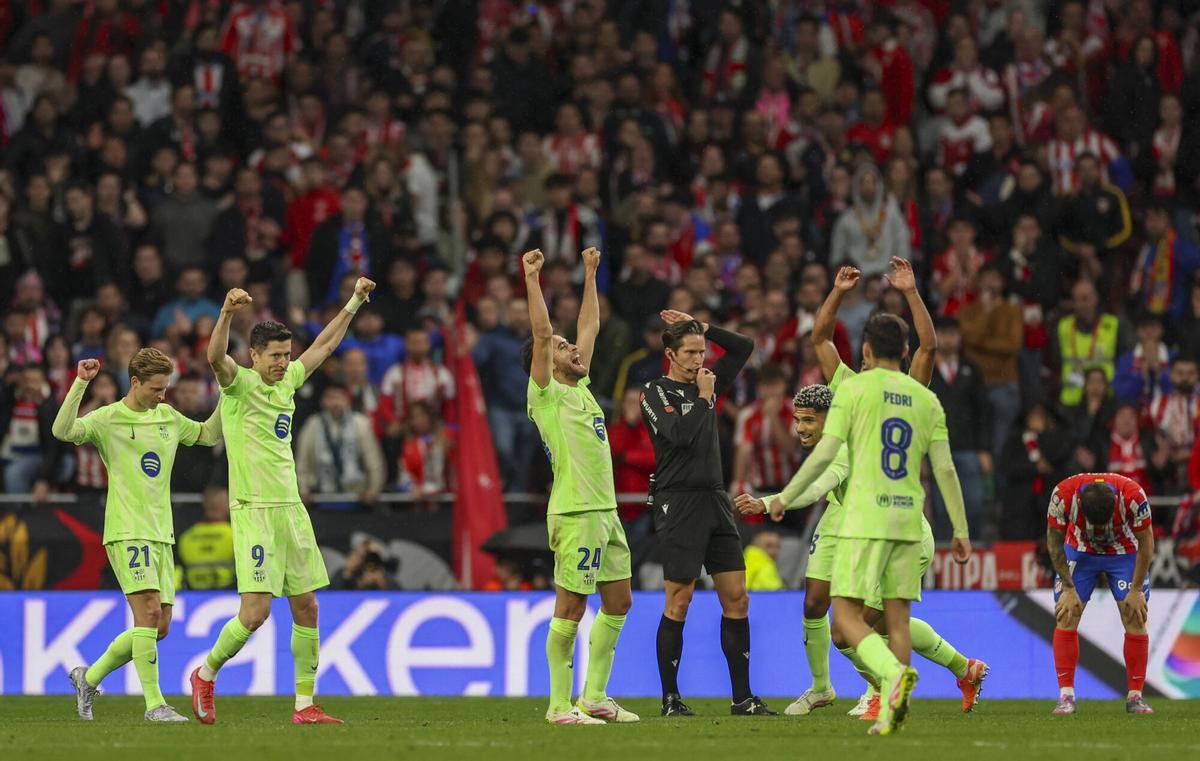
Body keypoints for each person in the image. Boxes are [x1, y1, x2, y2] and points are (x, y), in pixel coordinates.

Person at [737, 260, 985, 720]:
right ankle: (935, 676)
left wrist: (776, 501)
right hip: (876, 517)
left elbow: (821, 342)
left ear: (866, 350)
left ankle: (886, 687)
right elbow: (926, 348)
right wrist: (909, 292)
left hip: (878, 520)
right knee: (868, 619)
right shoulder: (918, 395)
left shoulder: (851, 392)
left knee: (853, 628)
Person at [190, 277, 376, 726]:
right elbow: (215, 357)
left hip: (291, 509)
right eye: (274, 356)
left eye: (286, 355)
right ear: (254, 355)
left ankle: (304, 705)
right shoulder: (239, 386)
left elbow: (326, 345)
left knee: (308, 606)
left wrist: (354, 299)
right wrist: (226, 312)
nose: (282, 363)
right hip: (253, 510)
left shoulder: (290, 380)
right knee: (254, 614)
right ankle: (205, 673)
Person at [54, 350, 222, 722]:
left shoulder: (168, 417)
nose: (162, 395)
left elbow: (209, 435)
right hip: (127, 529)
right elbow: (63, 431)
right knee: (146, 612)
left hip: (162, 532)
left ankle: (88, 677)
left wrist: (229, 390)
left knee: (158, 627)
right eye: (155, 389)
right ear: (134, 382)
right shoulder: (108, 418)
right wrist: (81, 382)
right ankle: (154, 705)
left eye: (166, 388)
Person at [522, 247, 637, 725]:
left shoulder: (582, 388)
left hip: (605, 511)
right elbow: (545, 333)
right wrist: (532, 277)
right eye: (564, 347)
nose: (574, 348)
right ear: (548, 360)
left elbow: (589, 327)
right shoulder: (546, 395)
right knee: (570, 606)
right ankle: (557, 706)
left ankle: (594, 696)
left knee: (620, 599)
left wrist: (591, 274)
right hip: (576, 511)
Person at [638, 306, 770, 717]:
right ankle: (670, 698)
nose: (700, 359)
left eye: (703, 351)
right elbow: (678, 435)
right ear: (671, 356)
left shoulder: (704, 384)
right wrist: (704, 397)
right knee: (679, 600)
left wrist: (705, 327)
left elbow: (745, 346)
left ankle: (742, 698)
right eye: (691, 352)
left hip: (715, 499)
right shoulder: (655, 392)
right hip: (677, 502)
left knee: (738, 598)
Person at [1046, 473, 1155, 715]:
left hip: (1123, 551)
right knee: (1067, 612)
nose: (1098, 532)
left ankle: (1135, 697)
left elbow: (1147, 542)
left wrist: (1136, 589)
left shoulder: (1134, 497)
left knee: (1135, 614)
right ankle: (1066, 696)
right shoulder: (1062, 497)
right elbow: (1053, 543)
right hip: (1079, 551)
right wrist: (1069, 588)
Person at [177, 486, 236, 590]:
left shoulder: (186, 537)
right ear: (224, 506)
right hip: (228, 594)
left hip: (193, 594)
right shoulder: (233, 535)